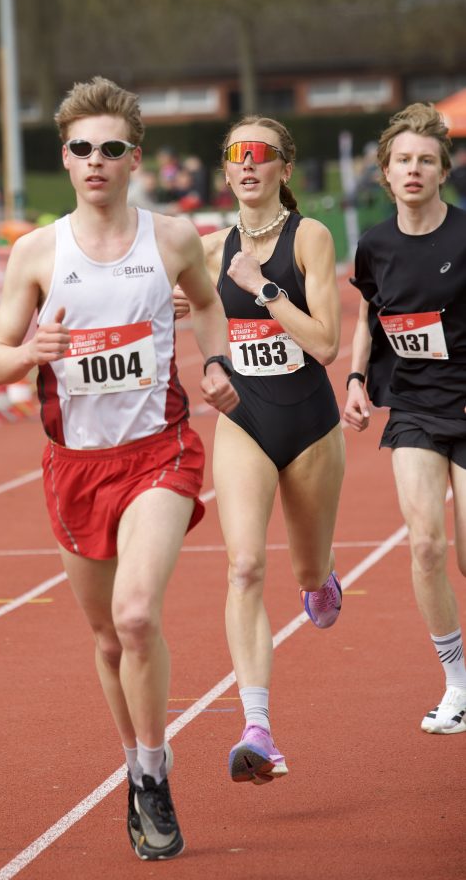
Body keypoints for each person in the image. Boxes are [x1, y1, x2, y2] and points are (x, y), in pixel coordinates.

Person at [0, 76, 238, 860]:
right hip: (74, 466)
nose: (97, 161)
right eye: (82, 148)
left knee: (134, 615)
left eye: (112, 149)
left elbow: (208, 302)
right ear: (65, 159)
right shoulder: (35, 251)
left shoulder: (170, 240)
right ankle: (134, 764)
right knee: (104, 637)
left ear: (136, 160)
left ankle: (154, 775)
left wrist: (218, 361)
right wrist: (30, 352)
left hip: (158, 454)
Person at [175, 115, 345, 784]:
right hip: (244, 421)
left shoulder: (311, 238)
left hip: (308, 423)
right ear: (224, 171)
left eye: (260, 155)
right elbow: (172, 305)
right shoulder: (207, 246)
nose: (247, 164)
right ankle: (257, 729)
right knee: (243, 567)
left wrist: (263, 287)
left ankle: (322, 575)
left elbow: (327, 344)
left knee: (304, 579)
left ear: (283, 167)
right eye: (235, 155)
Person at [343, 102, 466, 736]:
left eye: (425, 160)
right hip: (415, 406)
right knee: (425, 543)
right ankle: (456, 683)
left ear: (443, 171)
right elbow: (370, 315)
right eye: (402, 161)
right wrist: (359, 378)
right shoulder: (374, 244)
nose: (413, 170)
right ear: (386, 175)